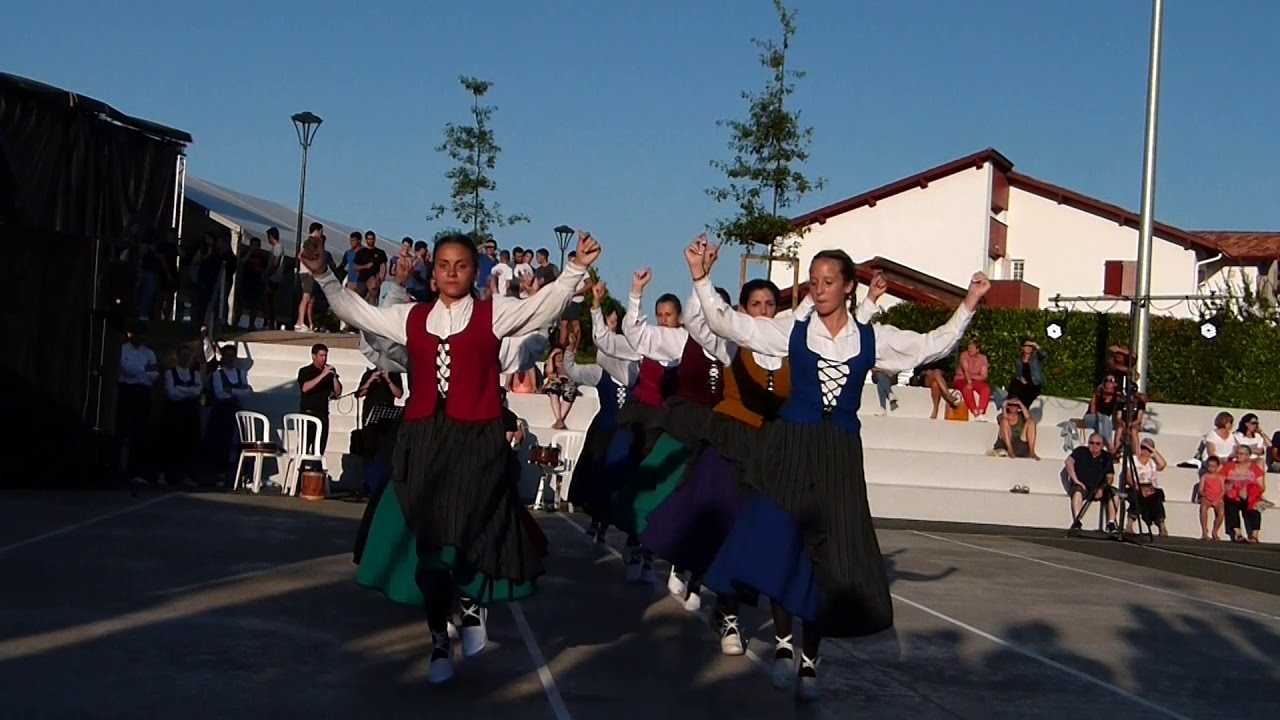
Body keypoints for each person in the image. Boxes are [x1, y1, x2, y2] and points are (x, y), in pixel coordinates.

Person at [690, 238, 987, 699]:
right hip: (792, 446)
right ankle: (785, 646)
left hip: (840, 455)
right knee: (779, 544)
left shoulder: (873, 338)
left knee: (830, 559)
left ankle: (811, 655)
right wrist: (701, 278)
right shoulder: (792, 329)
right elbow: (730, 325)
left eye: (830, 282)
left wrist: (968, 303)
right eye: (815, 281)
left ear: (850, 288)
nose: (820, 289)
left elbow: (931, 346)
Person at [302, 229, 598, 686]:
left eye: (462, 265)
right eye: (444, 265)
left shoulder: (492, 314)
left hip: (476, 438)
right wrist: (322, 274)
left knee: (472, 529)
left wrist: (574, 269)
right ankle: (440, 636)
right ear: (433, 272)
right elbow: (353, 310)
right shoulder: (411, 317)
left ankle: (470, 603)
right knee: (429, 545)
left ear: (473, 272)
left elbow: (541, 308)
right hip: (422, 439)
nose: (452, 272)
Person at [117, 321, 158, 485]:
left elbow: (154, 374)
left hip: (142, 392)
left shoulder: (149, 353)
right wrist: (143, 370)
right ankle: (118, 469)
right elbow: (126, 369)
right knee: (122, 430)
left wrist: (140, 372)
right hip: (126, 391)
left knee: (140, 432)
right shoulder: (122, 350)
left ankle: (136, 471)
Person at [161, 344, 203, 488]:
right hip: (174, 413)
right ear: (178, 357)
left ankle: (186, 474)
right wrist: (188, 391)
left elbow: (197, 392)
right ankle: (169, 475)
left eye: (188, 356)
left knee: (189, 445)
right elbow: (172, 393)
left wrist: (182, 389)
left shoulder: (195, 374)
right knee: (172, 443)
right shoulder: (170, 373)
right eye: (183, 355)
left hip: (190, 413)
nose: (186, 359)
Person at [1066, 432, 1117, 532]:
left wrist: (1102, 488)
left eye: (1098, 444)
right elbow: (1068, 462)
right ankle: (1077, 521)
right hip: (1083, 486)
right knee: (1077, 492)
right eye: (1092, 443)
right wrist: (1076, 480)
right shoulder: (1081, 451)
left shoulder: (1106, 457)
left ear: (1102, 445)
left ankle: (1111, 523)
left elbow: (1110, 477)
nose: (1094, 446)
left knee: (1115, 494)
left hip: (1099, 487)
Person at [297, 344, 342, 453]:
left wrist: (334, 377)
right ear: (314, 356)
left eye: (325, 356)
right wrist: (322, 375)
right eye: (321, 355)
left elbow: (338, 392)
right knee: (305, 445)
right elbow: (305, 388)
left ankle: (316, 467)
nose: (324, 359)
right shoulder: (305, 371)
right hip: (308, 413)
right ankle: (301, 468)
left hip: (323, 413)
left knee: (320, 447)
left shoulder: (329, 372)